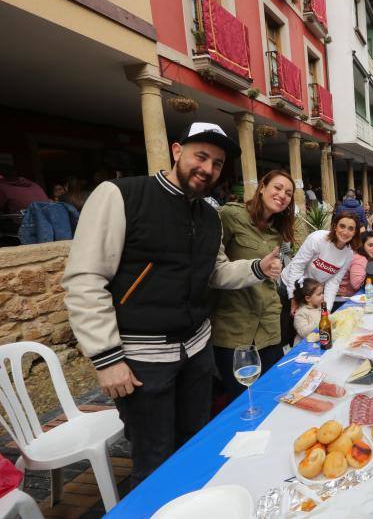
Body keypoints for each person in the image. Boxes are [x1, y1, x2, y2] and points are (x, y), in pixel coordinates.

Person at [61, 122, 284, 486]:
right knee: (155, 461)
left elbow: (214, 272)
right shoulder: (121, 194)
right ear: (177, 150)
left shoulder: (209, 215)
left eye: (216, 162)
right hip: (141, 364)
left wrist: (258, 268)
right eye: (201, 156)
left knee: (197, 445)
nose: (208, 168)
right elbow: (85, 279)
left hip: (197, 353)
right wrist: (107, 357)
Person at [211, 170, 295, 401]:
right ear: (262, 187)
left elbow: (270, 275)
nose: (282, 195)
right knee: (243, 401)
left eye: (288, 193)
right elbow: (213, 267)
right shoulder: (230, 215)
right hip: (235, 328)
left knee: (274, 396)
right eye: (277, 188)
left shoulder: (277, 231)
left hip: (268, 326)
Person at [279, 212, 359, 345]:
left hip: (311, 294)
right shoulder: (317, 239)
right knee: (285, 333)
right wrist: (293, 298)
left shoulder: (349, 254)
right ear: (334, 226)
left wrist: (326, 311)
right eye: (342, 226)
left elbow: (334, 283)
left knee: (307, 336)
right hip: (290, 286)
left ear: (355, 232)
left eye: (351, 228)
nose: (345, 232)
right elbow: (297, 266)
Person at [338, 231, 373, 297]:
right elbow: (357, 285)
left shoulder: (361, 256)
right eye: (370, 245)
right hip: (343, 300)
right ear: (362, 245)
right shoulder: (359, 259)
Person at [293, 279, 324, 346]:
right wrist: (321, 321)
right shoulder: (301, 313)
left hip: (318, 343)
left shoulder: (320, 307)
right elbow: (303, 333)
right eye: (319, 294)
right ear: (308, 298)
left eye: (322, 293)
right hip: (304, 348)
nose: (322, 296)